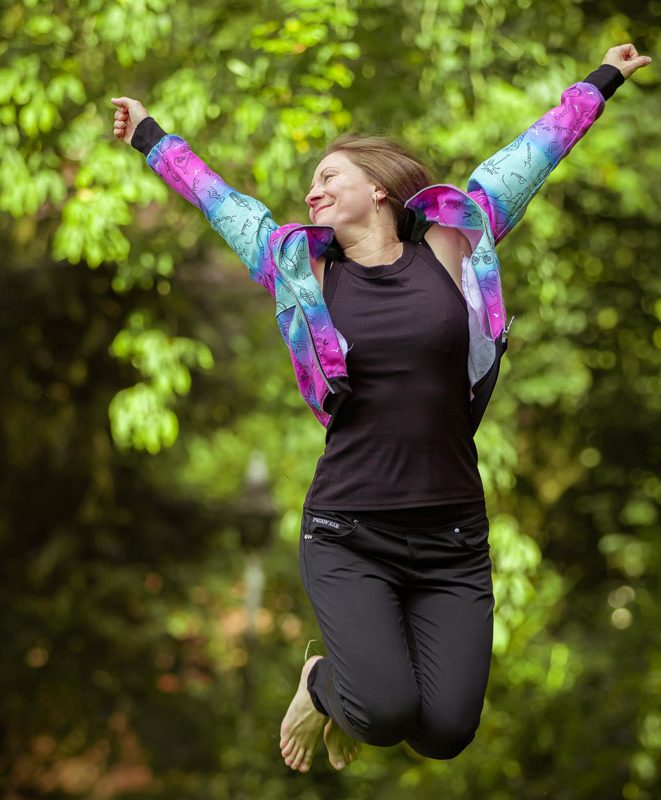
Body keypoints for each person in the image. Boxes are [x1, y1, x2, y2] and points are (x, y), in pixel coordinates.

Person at [111, 43, 651, 772]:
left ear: (380, 189)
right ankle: (320, 682)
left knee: (445, 732)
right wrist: (150, 135)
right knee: (381, 711)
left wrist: (602, 80)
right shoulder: (297, 270)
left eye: (328, 176)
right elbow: (219, 201)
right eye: (310, 182)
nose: (312, 191)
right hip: (348, 530)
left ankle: (342, 690)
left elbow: (531, 154)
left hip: (452, 537)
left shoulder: (456, 240)